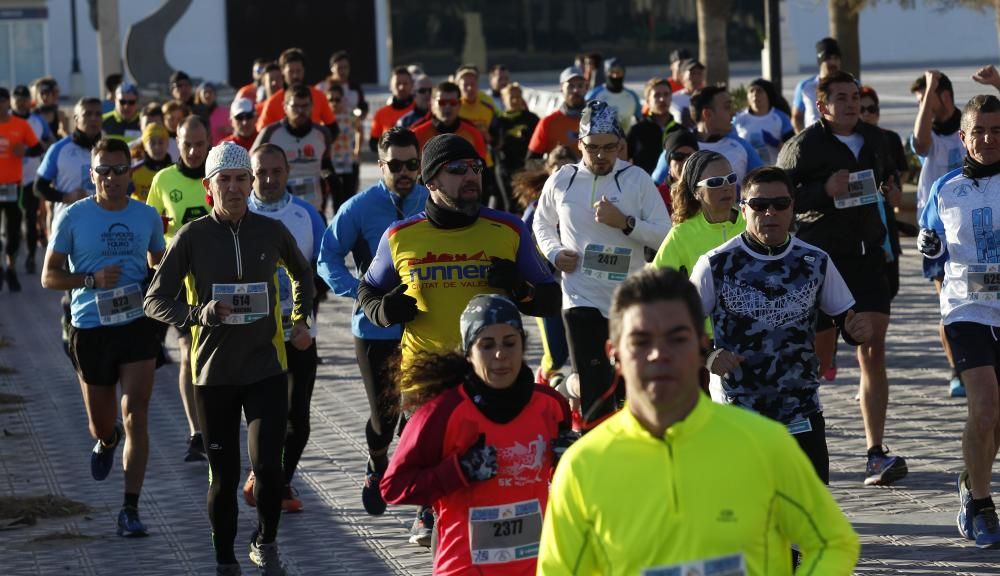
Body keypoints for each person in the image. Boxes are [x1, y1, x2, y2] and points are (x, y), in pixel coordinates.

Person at [536, 266, 860, 574]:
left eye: (676, 339)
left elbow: (833, 543)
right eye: (641, 341)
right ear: (615, 353)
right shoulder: (584, 466)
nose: (658, 355)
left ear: (701, 348)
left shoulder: (764, 445)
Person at [357, 133, 561, 544]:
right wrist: (384, 311)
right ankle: (430, 514)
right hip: (424, 370)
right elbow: (368, 291)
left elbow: (551, 297)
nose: (471, 176)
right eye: (457, 170)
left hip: (490, 370)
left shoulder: (507, 229)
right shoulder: (400, 237)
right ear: (430, 181)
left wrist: (521, 290)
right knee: (435, 451)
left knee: (480, 455)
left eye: (475, 168)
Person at [144, 141, 314, 575]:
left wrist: (299, 321)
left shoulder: (270, 231)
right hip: (214, 375)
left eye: (242, 179)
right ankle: (224, 561)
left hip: (265, 369)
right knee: (222, 477)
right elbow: (154, 300)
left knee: (269, 471)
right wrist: (196, 314)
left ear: (251, 183)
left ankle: (267, 541)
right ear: (208, 187)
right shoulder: (192, 237)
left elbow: (302, 274)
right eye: (225, 180)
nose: (234, 188)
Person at [691, 166, 872, 484]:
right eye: (759, 205)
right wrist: (708, 356)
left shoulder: (815, 261)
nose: (770, 213)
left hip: (800, 410)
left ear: (793, 207)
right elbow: (678, 330)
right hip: (738, 408)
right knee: (746, 515)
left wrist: (855, 331)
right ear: (742, 208)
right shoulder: (715, 264)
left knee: (810, 514)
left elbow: (845, 316)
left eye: (781, 204)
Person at [380, 294, 573, 574]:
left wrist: (569, 462)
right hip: (464, 567)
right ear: (468, 353)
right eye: (487, 345)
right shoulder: (442, 414)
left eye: (510, 342)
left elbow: (566, 482)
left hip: (534, 566)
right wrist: (458, 470)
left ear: (522, 346)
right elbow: (392, 488)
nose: (500, 354)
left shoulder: (550, 406)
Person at [777, 71, 907, 487]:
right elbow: (778, 203)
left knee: (872, 348)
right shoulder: (802, 147)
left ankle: (875, 452)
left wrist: (891, 193)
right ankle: (797, 443)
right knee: (816, 361)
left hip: (869, 256)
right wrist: (822, 191)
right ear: (822, 105)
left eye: (856, 97)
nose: (852, 104)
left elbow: (892, 178)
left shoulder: (879, 139)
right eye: (842, 98)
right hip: (821, 260)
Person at [41, 137, 165, 537]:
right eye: (104, 171)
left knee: (136, 414)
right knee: (104, 424)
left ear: (130, 173)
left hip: (136, 324)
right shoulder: (73, 217)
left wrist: (167, 271)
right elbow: (48, 276)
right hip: (91, 328)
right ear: (92, 174)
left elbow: (157, 263)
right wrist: (90, 279)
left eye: (119, 170)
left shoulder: (146, 216)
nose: (112, 178)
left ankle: (129, 508)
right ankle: (106, 440)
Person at [532, 101, 670, 431]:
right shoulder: (562, 179)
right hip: (581, 298)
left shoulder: (636, 179)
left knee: (625, 386)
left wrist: (626, 223)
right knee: (597, 392)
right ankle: (600, 455)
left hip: (628, 301)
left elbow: (665, 233)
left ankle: (567, 387)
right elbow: (541, 222)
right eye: (592, 148)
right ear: (579, 145)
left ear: (620, 145)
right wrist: (554, 253)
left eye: (609, 147)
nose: (601, 156)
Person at [317, 127, 429, 519]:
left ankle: (426, 506)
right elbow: (327, 255)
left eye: (411, 164)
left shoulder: (432, 201)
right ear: (380, 165)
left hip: (425, 326)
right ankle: (377, 464)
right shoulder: (359, 208)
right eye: (394, 165)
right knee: (386, 417)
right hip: (374, 329)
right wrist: (357, 293)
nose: (404, 172)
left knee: (424, 413)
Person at [918, 93, 1000, 548]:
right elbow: (931, 246)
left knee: (997, 420)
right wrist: (928, 248)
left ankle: (972, 482)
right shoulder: (946, 187)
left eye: (997, 130)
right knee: (984, 407)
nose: (988, 139)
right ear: (964, 137)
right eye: (979, 131)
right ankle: (982, 504)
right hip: (966, 308)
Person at [242, 143, 326, 514]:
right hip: (252, 338)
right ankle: (265, 476)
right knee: (263, 416)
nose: (269, 179)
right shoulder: (239, 214)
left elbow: (319, 275)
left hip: (297, 334)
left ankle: (279, 477)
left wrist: (306, 323)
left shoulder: (306, 215)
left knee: (299, 421)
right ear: (250, 174)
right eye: (261, 172)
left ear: (288, 172)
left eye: (276, 172)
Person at [145, 115, 212, 463]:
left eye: (200, 144)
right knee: (188, 352)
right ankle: (196, 431)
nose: (193, 151)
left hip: (219, 283)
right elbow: (150, 228)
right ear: (176, 142)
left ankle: (219, 424)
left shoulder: (218, 176)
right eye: (186, 144)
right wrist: (157, 261)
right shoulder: (163, 179)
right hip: (181, 285)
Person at [911, 70, 965, 397]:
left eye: (926, 101)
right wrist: (929, 88)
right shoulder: (928, 137)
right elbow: (918, 141)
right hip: (937, 234)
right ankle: (956, 369)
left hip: (973, 225)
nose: (923, 109)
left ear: (946, 97)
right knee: (948, 303)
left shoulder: (971, 127)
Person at [651, 151, 744, 278]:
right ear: (696, 192)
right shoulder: (681, 234)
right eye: (715, 182)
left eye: (731, 179)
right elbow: (654, 286)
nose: (727, 187)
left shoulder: (752, 224)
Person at [652, 85, 763, 188]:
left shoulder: (742, 146)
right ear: (707, 114)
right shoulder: (678, 146)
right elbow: (654, 187)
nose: (733, 113)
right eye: (727, 107)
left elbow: (765, 182)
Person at [252, 84, 334, 213]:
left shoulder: (322, 133)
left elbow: (327, 166)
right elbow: (251, 166)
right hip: (278, 209)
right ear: (285, 107)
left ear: (312, 106)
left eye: (305, 106)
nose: (300, 111)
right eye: (295, 106)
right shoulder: (270, 133)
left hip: (314, 209)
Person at [35, 97, 102, 228]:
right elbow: (38, 187)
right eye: (87, 114)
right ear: (76, 119)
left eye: (98, 114)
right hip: (67, 225)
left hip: (100, 224)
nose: (93, 118)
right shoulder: (59, 149)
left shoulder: (109, 149)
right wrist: (66, 197)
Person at [0, 86, 42, 292]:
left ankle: (11, 268)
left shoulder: (20, 125)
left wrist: (24, 150)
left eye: (3, 101)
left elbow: (38, 148)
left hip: (12, 187)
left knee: (13, 231)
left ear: (8, 103)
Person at [11, 84, 53, 274]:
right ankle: (11, 255)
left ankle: (30, 255)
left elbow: (50, 141)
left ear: (29, 101)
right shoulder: (5, 120)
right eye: (16, 100)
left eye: (23, 100)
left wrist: (33, 148)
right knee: (12, 220)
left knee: (30, 219)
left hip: (31, 178)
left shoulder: (37, 121)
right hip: (8, 180)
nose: (20, 103)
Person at [256, 48, 336, 132]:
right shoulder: (273, 102)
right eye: (291, 72)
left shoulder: (319, 96)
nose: (295, 76)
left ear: (304, 70)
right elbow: (261, 131)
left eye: (298, 71)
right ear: (282, 72)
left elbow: (333, 127)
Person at [411, 82, 488, 163]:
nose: (448, 107)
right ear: (432, 104)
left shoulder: (474, 134)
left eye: (453, 103)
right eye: (442, 103)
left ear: (459, 105)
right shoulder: (416, 134)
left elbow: (481, 168)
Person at [526, 67, 586, 160]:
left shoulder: (598, 119)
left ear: (586, 88)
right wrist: (552, 166)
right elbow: (531, 161)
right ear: (561, 89)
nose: (576, 90)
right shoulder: (548, 122)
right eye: (571, 86)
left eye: (580, 86)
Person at [733, 78, 795, 165]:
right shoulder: (738, 119)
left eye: (759, 91)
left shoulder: (781, 117)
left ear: (768, 95)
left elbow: (793, 149)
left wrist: (777, 143)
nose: (755, 94)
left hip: (774, 170)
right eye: (751, 91)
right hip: (747, 173)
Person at [626, 77, 679, 175]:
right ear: (647, 101)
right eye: (657, 95)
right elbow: (623, 161)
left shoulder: (680, 131)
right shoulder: (637, 131)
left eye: (666, 94)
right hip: (643, 187)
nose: (662, 99)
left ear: (671, 97)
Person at [326, 83, 363, 213]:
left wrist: (357, 149)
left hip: (349, 159)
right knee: (336, 195)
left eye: (337, 99)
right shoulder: (325, 118)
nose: (334, 103)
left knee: (350, 195)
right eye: (331, 100)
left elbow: (359, 130)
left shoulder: (351, 115)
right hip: (333, 161)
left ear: (343, 99)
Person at [792, 38, 842, 133]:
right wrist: (803, 141)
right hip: (813, 141)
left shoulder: (852, 84)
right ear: (820, 61)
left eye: (836, 58)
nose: (833, 63)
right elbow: (796, 117)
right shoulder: (805, 86)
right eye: (828, 58)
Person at [497, 82, 539, 189]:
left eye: (518, 97)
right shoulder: (498, 121)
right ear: (503, 99)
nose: (515, 101)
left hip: (527, 169)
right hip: (505, 170)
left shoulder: (532, 119)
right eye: (511, 97)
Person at [585, 58, 641, 133]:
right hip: (600, 142)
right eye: (612, 72)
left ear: (623, 73)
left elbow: (640, 121)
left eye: (618, 72)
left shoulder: (632, 96)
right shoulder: (593, 95)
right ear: (606, 73)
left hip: (625, 142)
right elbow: (584, 121)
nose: (615, 76)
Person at [369, 66, 414, 151]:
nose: (402, 87)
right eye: (398, 84)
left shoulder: (421, 110)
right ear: (390, 86)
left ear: (412, 85)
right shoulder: (381, 113)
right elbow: (373, 144)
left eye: (405, 83)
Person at [656, 129, 700, 211]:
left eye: (691, 156)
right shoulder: (657, 197)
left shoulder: (708, 190)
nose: (686, 161)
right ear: (669, 165)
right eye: (678, 156)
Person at [318, 50, 368, 120]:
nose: (343, 71)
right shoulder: (321, 87)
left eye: (345, 67)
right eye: (339, 68)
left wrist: (356, 119)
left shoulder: (355, 88)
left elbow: (363, 108)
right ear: (332, 68)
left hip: (349, 127)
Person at [130, 123, 172, 203]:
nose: (157, 147)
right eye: (152, 143)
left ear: (167, 144)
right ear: (144, 146)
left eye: (161, 142)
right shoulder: (134, 172)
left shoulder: (176, 170)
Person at [669, 59, 706, 129]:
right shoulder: (672, 100)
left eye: (699, 73)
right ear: (682, 76)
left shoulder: (710, 98)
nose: (696, 77)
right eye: (693, 73)